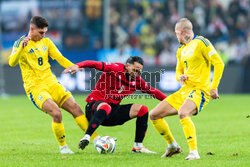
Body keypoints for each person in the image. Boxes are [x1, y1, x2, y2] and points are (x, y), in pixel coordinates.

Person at [8, 16, 99, 154]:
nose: (43, 35)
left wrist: (73, 66)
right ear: (32, 29)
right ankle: (63, 147)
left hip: (52, 82)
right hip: (35, 88)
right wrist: (21, 48)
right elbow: (12, 62)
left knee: (75, 108)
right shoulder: (20, 43)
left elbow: (59, 57)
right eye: (41, 32)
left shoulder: (46, 42)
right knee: (56, 113)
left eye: (45, 32)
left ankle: (98, 140)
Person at [149, 18, 224, 160]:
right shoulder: (181, 50)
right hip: (184, 91)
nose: (176, 37)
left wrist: (214, 87)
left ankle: (194, 152)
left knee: (183, 113)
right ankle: (172, 146)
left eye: (176, 34)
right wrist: (180, 77)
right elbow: (178, 72)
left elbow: (219, 63)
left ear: (181, 32)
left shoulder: (202, 43)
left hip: (200, 90)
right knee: (154, 115)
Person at [63, 56, 167, 153]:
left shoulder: (137, 81)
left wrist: (169, 101)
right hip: (93, 108)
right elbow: (94, 64)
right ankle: (87, 137)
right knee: (105, 106)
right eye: (135, 70)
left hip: (111, 113)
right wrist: (78, 65)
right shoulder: (114, 68)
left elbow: (153, 92)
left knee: (143, 110)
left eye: (139, 72)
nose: (136, 74)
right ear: (127, 66)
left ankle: (138, 146)